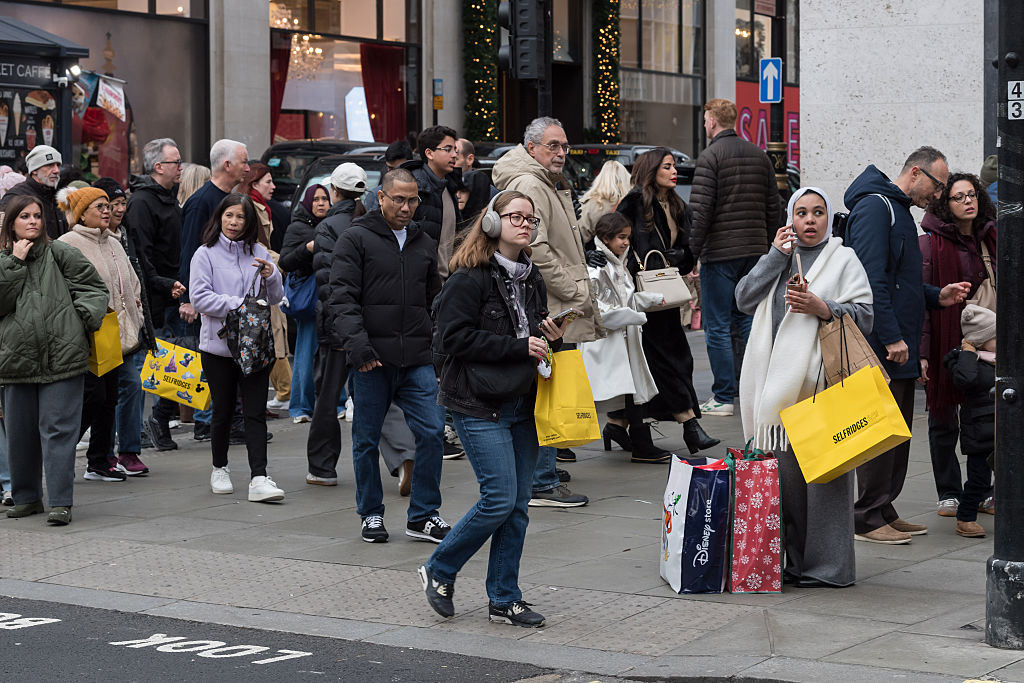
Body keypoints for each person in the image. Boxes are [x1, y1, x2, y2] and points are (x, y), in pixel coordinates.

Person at [418, 190, 567, 627]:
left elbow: (528, 329)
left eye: (531, 219)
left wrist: (548, 334)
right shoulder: (471, 277)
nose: (525, 223)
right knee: (500, 498)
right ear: (491, 222)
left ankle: (504, 597)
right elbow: (451, 339)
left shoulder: (531, 275)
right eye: (516, 216)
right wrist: (518, 346)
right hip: (477, 402)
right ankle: (441, 568)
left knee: (518, 505)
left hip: (522, 401)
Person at [736, 187, 873, 587]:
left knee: (826, 483)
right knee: (787, 485)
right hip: (775, 392)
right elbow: (743, 298)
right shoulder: (780, 258)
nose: (809, 220)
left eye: (817, 213)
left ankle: (830, 569)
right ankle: (794, 565)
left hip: (821, 386)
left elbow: (866, 315)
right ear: (790, 219)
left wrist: (824, 308)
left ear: (828, 218)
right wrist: (774, 255)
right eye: (801, 213)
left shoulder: (843, 259)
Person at [845, 146, 971, 545]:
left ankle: (883, 507)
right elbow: (871, 281)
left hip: (897, 341)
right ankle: (866, 516)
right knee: (881, 432)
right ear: (915, 173)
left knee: (896, 431)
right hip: (884, 344)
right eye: (937, 186)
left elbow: (901, 280)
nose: (938, 196)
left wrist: (937, 295)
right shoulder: (876, 207)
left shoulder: (896, 210)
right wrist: (893, 336)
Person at [329, 168, 450, 543]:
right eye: (398, 198)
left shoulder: (422, 240)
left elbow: (435, 299)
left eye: (412, 199)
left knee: (431, 434)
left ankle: (424, 515)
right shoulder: (356, 237)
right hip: (371, 359)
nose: (406, 206)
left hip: (416, 358)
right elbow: (342, 298)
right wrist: (359, 347)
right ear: (380, 197)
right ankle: (370, 514)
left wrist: (437, 350)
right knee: (366, 439)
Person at [491, 116, 597, 506]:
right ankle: (542, 481)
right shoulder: (530, 183)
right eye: (553, 146)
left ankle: (543, 471)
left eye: (565, 146)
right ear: (531, 148)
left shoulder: (542, 181)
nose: (561, 153)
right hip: (549, 305)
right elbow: (540, 250)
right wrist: (573, 294)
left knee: (548, 386)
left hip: (551, 303)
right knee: (547, 388)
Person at [0, 195, 108, 525]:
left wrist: (79, 320)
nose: (33, 221)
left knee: (58, 431)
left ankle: (61, 501)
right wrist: (14, 263)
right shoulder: (4, 259)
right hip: (16, 363)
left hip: (63, 360)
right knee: (20, 434)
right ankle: (27, 498)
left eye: (37, 216)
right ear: (11, 223)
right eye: (24, 216)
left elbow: (94, 290)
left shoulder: (61, 253)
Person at [617, 148, 720, 455]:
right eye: (667, 167)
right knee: (666, 362)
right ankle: (690, 426)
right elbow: (618, 240)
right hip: (642, 294)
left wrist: (680, 257)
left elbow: (690, 248)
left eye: (675, 166)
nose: (674, 171)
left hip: (668, 292)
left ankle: (616, 424)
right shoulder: (633, 203)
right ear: (652, 170)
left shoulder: (677, 204)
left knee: (663, 361)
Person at [189, 193, 285, 503]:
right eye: (229, 215)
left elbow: (274, 298)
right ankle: (220, 467)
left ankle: (259, 476)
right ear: (219, 217)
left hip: (255, 347)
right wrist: (240, 305)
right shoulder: (205, 255)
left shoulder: (259, 252)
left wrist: (272, 276)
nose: (234, 222)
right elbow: (200, 298)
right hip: (218, 347)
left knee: (255, 411)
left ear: (249, 222)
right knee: (223, 411)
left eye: (240, 217)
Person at [688, 99, 781, 418]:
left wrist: (692, 253)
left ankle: (723, 396)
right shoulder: (759, 156)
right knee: (748, 321)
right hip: (755, 252)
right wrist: (773, 250)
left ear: (712, 121)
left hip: (721, 254)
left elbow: (701, 212)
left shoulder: (710, 157)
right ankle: (752, 388)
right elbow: (774, 207)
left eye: (704, 119)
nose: (704, 125)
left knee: (717, 325)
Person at [920, 173, 997, 518]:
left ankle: (981, 489)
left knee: (985, 416)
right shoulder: (930, 245)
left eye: (972, 195)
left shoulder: (992, 238)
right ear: (945, 205)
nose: (968, 201)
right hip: (946, 339)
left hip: (990, 340)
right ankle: (949, 491)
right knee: (944, 416)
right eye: (958, 197)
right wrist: (923, 353)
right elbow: (921, 302)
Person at [58, 186, 146, 482]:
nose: (107, 211)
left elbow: (132, 283)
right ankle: (59, 450)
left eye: (109, 206)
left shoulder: (114, 241)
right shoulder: (68, 243)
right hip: (86, 335)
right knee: (93, 396)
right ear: (82, 213)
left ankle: (99, 461)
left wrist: (137, 313)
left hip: (117, 334)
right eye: (100, 207)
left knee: (109, 397)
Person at [580, 212, 670, 463]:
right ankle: (638, 443)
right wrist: (636, 316)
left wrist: (647, 300)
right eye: (621, 237)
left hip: (622, 341)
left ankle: (626, 436)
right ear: (606, 238)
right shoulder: (598, 268)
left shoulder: (617, 263)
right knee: (625, 393)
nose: (626, 242)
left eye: (627, 237)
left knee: (632, 392)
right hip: (610, 344)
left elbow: (623, 300)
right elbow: (601, 311)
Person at [179, 140, 250, 443]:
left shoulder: (232, 198)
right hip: (205, 299)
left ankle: (228, 419)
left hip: (229, 300)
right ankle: (204, 422)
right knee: (203, 361)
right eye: (244, 162)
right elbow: (189, 250)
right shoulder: (201, 201)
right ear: (227, 165)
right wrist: (187, 298)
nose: (248, 168)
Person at [306, 163, 369, 486]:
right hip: (370, 323)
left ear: (334, 191)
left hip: (337, 327)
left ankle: (322, 465)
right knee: (378, 395)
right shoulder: (372, 223)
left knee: (328, 396)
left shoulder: (329, 227)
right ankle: (402, 457)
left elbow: (328, 283)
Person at [124, 138, 189, 450]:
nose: (181, 167)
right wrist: (163, 284)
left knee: (173, 364)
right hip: (154, 297)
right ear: (158, 166)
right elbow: (142, 255)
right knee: (147, 367)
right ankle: (136, 432)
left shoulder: (167, 197)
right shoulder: (142, 202)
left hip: (171, 293)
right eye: (176, 162)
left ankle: (158, 423)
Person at [93, 176, 155, 476]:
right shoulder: (77, 242)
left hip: (130, 326)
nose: (114, 210)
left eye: (118, 204)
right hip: (101, 329)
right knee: (102, 396)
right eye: (106, 205)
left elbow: (138, 276)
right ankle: (101, 455)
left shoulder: (123, 237)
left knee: (131, 384)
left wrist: (140, 308)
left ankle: (128, 450)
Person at [239, 163, 291, 408]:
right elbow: (257, 249)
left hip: (267, 278)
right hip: (257, 282)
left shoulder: (263, 207)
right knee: (269, 335)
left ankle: (284, 391)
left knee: (274, 334)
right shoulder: (250, 207)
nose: (274, 186)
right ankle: (284, 391)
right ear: (254, 183)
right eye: (268, 181)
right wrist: (286, 260)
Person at [943, 304, 996, 538]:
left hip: (1002, 429)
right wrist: (967, 351)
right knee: (978, 479)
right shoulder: (964, 361)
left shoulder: (998, 358)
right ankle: (965, 518)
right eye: (995, 336)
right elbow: (965, 380)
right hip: (979, 431)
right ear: (980, 341)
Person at [280, 184, 330, 423]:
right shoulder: (297, 228)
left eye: (325, 199)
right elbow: (285, 261)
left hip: (332, 297)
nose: (321, 203)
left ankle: (337, 403)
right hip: (310, 300)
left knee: (334, 353)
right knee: (305, 353)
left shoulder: (335, 224)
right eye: (316, 199)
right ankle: (300, 407)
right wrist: (307, 249)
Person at [402, 125, 463, 279]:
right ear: (429, 153)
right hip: (418, 281)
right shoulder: (414, 187)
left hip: (446, 282)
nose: (454, 155)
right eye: (448, 149)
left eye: (455, 150)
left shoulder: (449, 186)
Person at [0, 145, 67, 239]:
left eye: (58, 165)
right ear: (34, 170)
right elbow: (3, 233)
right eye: (50, 165)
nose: (56, 170)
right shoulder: (16, 196)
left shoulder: (58, 196)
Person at [579, 160, 632, 243]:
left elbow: (581, 236)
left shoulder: (589, 203)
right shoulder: (632, 203)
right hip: (627, 252)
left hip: (597, 253)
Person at [364, 139, 415, 212]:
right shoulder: (374, 196)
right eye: (390, 168)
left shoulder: (424, 191)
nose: (394, 173)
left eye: (399, 169)